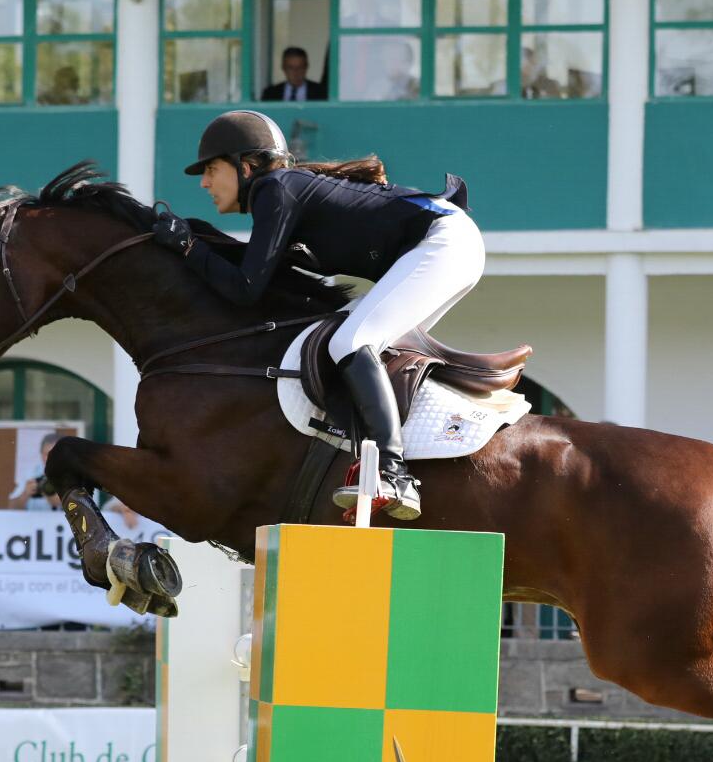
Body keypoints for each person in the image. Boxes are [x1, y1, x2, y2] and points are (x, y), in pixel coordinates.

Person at [151, 110, 481, 520]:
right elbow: (255, 276)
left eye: (212, 170)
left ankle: (394, 473)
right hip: (445, 245)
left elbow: (245, 289)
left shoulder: (274, 188)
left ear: (246, 166)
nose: (204, 183)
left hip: (443, 242)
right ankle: (363, 457)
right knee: (334, 340)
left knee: (351, 342)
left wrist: (187, 247)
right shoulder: (279, 194)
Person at [10, 432, 62, 510]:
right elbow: (12, 507)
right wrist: (25, 494)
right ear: (41, 454)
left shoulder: (73, 476)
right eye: (47, 454)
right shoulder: (31, 474)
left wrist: (49, 493)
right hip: (32, 521)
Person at [260, 47, 326, 102]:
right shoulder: (270, 93)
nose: (296, 72)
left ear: (306, 67)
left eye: (300, 67)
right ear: (283, 68)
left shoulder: (321, 92)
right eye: (290, 68)